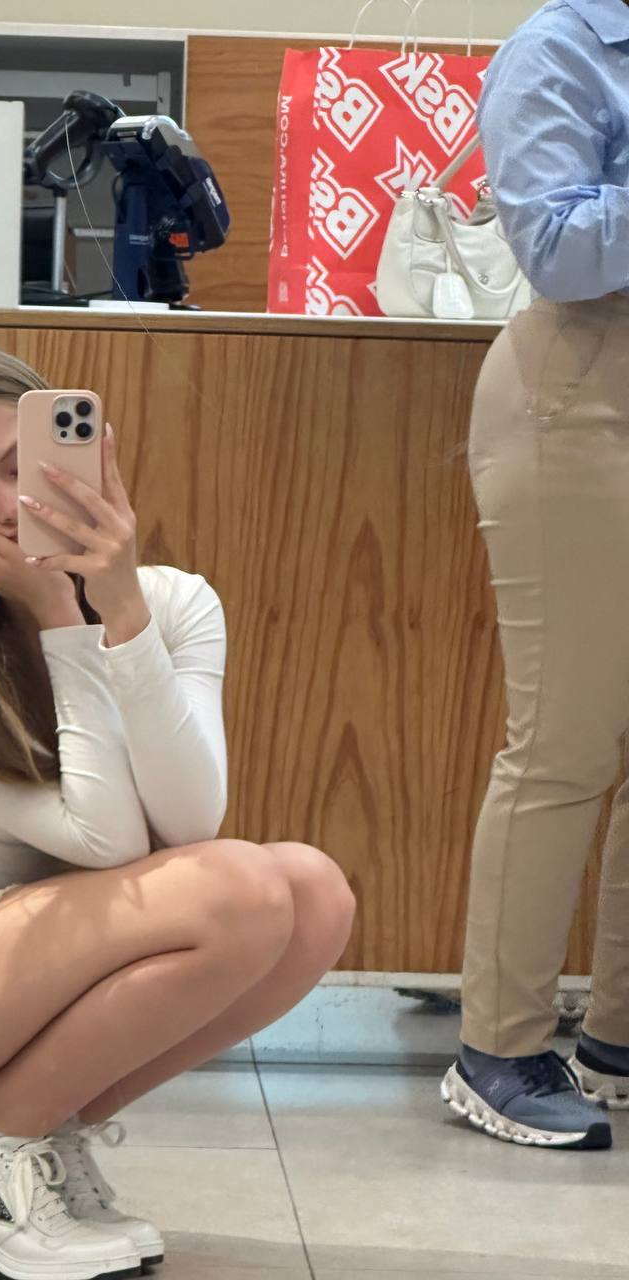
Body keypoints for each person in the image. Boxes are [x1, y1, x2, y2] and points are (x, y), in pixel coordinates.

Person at [0, 342, 356, 1279]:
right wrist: (63, 620)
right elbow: (110, 843)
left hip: (14, 968)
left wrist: (121, 608)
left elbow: (190, 823)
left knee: (312, 894)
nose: (9, 507)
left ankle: (20, 1138)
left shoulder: (177, 604)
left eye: (24, 465)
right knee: (243, 891)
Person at [442, 0, 629, 1150]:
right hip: (583, 392)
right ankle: (496, 1048)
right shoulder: (561, 47)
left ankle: (615, 1037)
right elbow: (555, 247)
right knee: (563, 738)